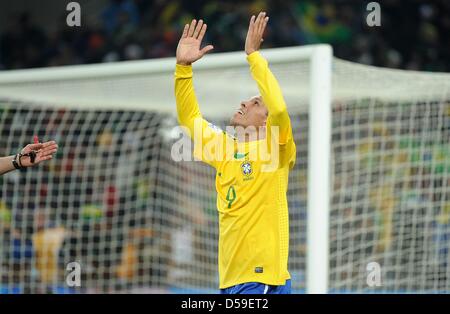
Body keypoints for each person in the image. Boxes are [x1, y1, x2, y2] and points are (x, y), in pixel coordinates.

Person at [174, 12, 296, 294]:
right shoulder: (225, 149)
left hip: (263, 278)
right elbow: (190, 119)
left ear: (266, 122)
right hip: (230, 280)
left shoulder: (276, 147)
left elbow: (278, 108)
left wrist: (253, 56)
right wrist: (183, 69)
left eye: (255, 103)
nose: (244, 102)